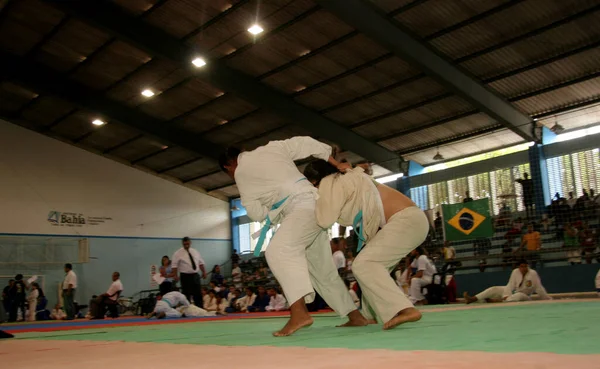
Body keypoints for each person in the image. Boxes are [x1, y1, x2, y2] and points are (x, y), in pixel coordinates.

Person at [219, 137, 366, 336]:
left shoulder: (241, 172)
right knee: (322, 272)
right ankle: (355, 317)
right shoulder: (273, 148)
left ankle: (299, 313)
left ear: (229, 165)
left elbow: (256, 214)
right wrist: (335, 163)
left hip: (301, 209)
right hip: (316, 206)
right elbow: (307, 143)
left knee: (278, 251)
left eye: (228, 172)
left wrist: (271, 205)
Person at [304, 161, 429, 329]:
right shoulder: (348, 179)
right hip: (411, 221)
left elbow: (324, 219)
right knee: (369, 269)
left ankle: (405, 309)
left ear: (316, 180)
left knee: (364, 264)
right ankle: (370, 315)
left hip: (406, 221)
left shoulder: (331, 182)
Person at [464, 260, 550, 303]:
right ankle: (473, 299)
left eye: (525, 266)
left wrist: (547, 299)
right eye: (521, 267)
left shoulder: (533, 274)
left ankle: (498, 301)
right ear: (519, 267)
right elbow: (510, 285)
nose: (523, 268)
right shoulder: (515, 272)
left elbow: (539, 288)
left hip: (525, 296)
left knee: (518, 295)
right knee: (494, 289)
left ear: (528, 266)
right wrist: (506, 295)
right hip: (513, 293)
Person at [172, 237, 206, 308]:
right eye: (184, 244)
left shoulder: (195, 251)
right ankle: (187, 309)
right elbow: (174, 265)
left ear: (190, 243)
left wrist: (204, 272)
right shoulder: (177, 253)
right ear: (182, 244)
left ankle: (200, 309)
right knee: (186, 294)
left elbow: (200, 263)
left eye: (187, 243)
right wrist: (175, 275)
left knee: (198, 293)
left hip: (195, 275)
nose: (186, 245)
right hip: (185, 276)